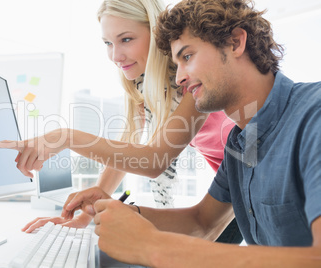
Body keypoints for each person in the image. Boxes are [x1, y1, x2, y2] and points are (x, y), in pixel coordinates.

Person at [58, 0, 321, 266]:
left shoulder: (314, 115)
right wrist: (119, 212)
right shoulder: (241, 144)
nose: (180, 78)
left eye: (187, 57)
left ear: (235, 43)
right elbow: (201, 222)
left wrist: (153, 246)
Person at [0, 0, 241, 243]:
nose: (115, 55)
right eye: (108, 43)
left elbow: (154, 160)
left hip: (250, 174)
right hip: (229, 181)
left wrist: (66, 137)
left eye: (126, 39)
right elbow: (127, 146)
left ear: (156, 34)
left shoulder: (192, 76)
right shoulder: (141, 82)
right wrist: (84, 214)